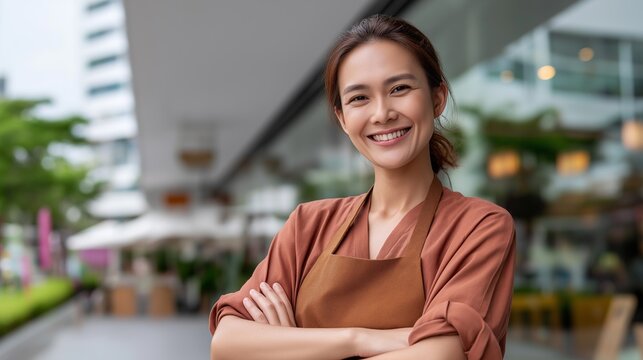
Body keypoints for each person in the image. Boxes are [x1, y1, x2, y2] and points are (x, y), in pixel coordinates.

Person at [209, 14, 515, 360]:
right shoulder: (308, 225)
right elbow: (227, 342)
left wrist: (292, 345)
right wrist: (356, 340)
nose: (382, 113)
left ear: (437, 98)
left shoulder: (480, 227)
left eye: (399, 89)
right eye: (359, 98)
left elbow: (440, 355)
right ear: (342, 119)